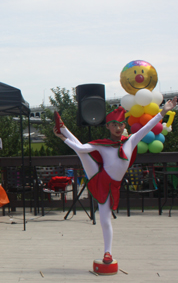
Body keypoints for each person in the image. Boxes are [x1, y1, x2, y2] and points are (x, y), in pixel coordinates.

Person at [53, 97, 177, 264]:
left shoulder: (131, 141)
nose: (117, 128)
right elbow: (81, 148)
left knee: (105, 219)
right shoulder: (102, 144)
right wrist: (63, 138)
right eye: (114, 125)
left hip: (113, 186)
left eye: (120, 125)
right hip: (98, 175)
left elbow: (148, 126)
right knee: (82, 152)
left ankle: (107, 252)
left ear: (124, 126)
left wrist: (164, 110)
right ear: (108, 127)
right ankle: (64, 129)